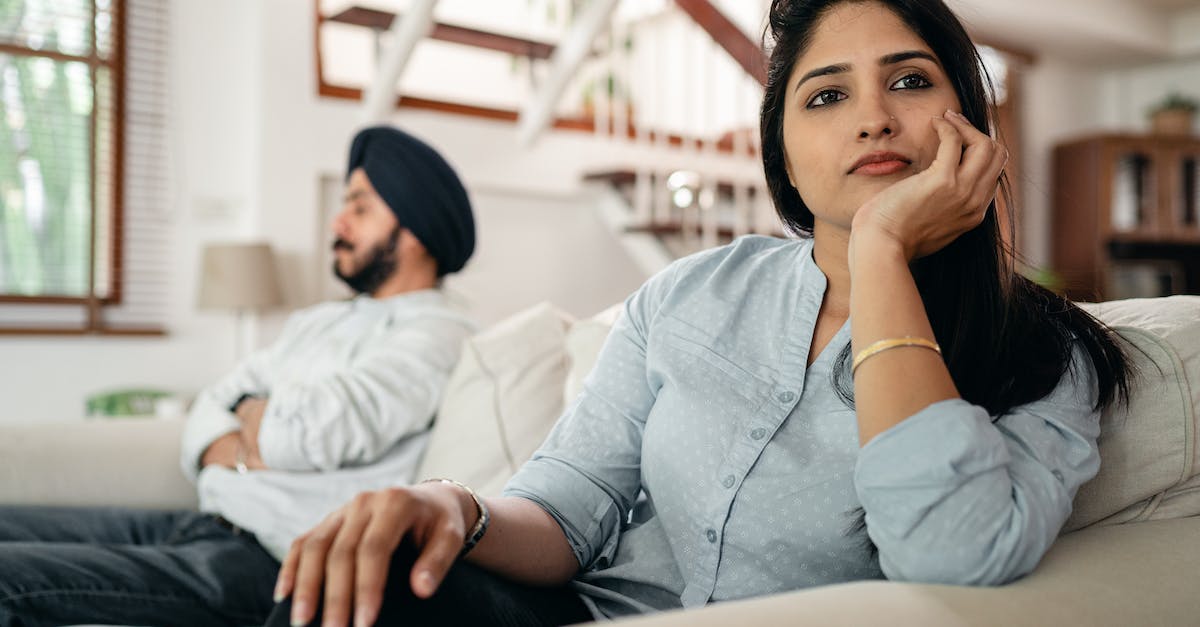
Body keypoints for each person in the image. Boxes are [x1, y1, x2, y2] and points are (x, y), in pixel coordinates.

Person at [268, 2, 1134, 626]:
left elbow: (950, 551)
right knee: (370, 585)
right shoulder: (688, 293)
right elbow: (573, 506)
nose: (873, 118)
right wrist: (453, 505)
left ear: (968, 127)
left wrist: (880, 253)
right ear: (785, 159)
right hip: (571, 611)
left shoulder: (1045, 353)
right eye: (826, 96)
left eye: (908, 81)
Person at [0, 125, 478, 626]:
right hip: (201, 523)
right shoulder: (318, 321)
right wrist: (253, 441)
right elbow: (212, 405)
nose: (337, 221)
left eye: (360, 208)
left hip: (268, 561)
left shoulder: (439, 332)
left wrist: (249, 423)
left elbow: (308, 434)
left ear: (418, 230)